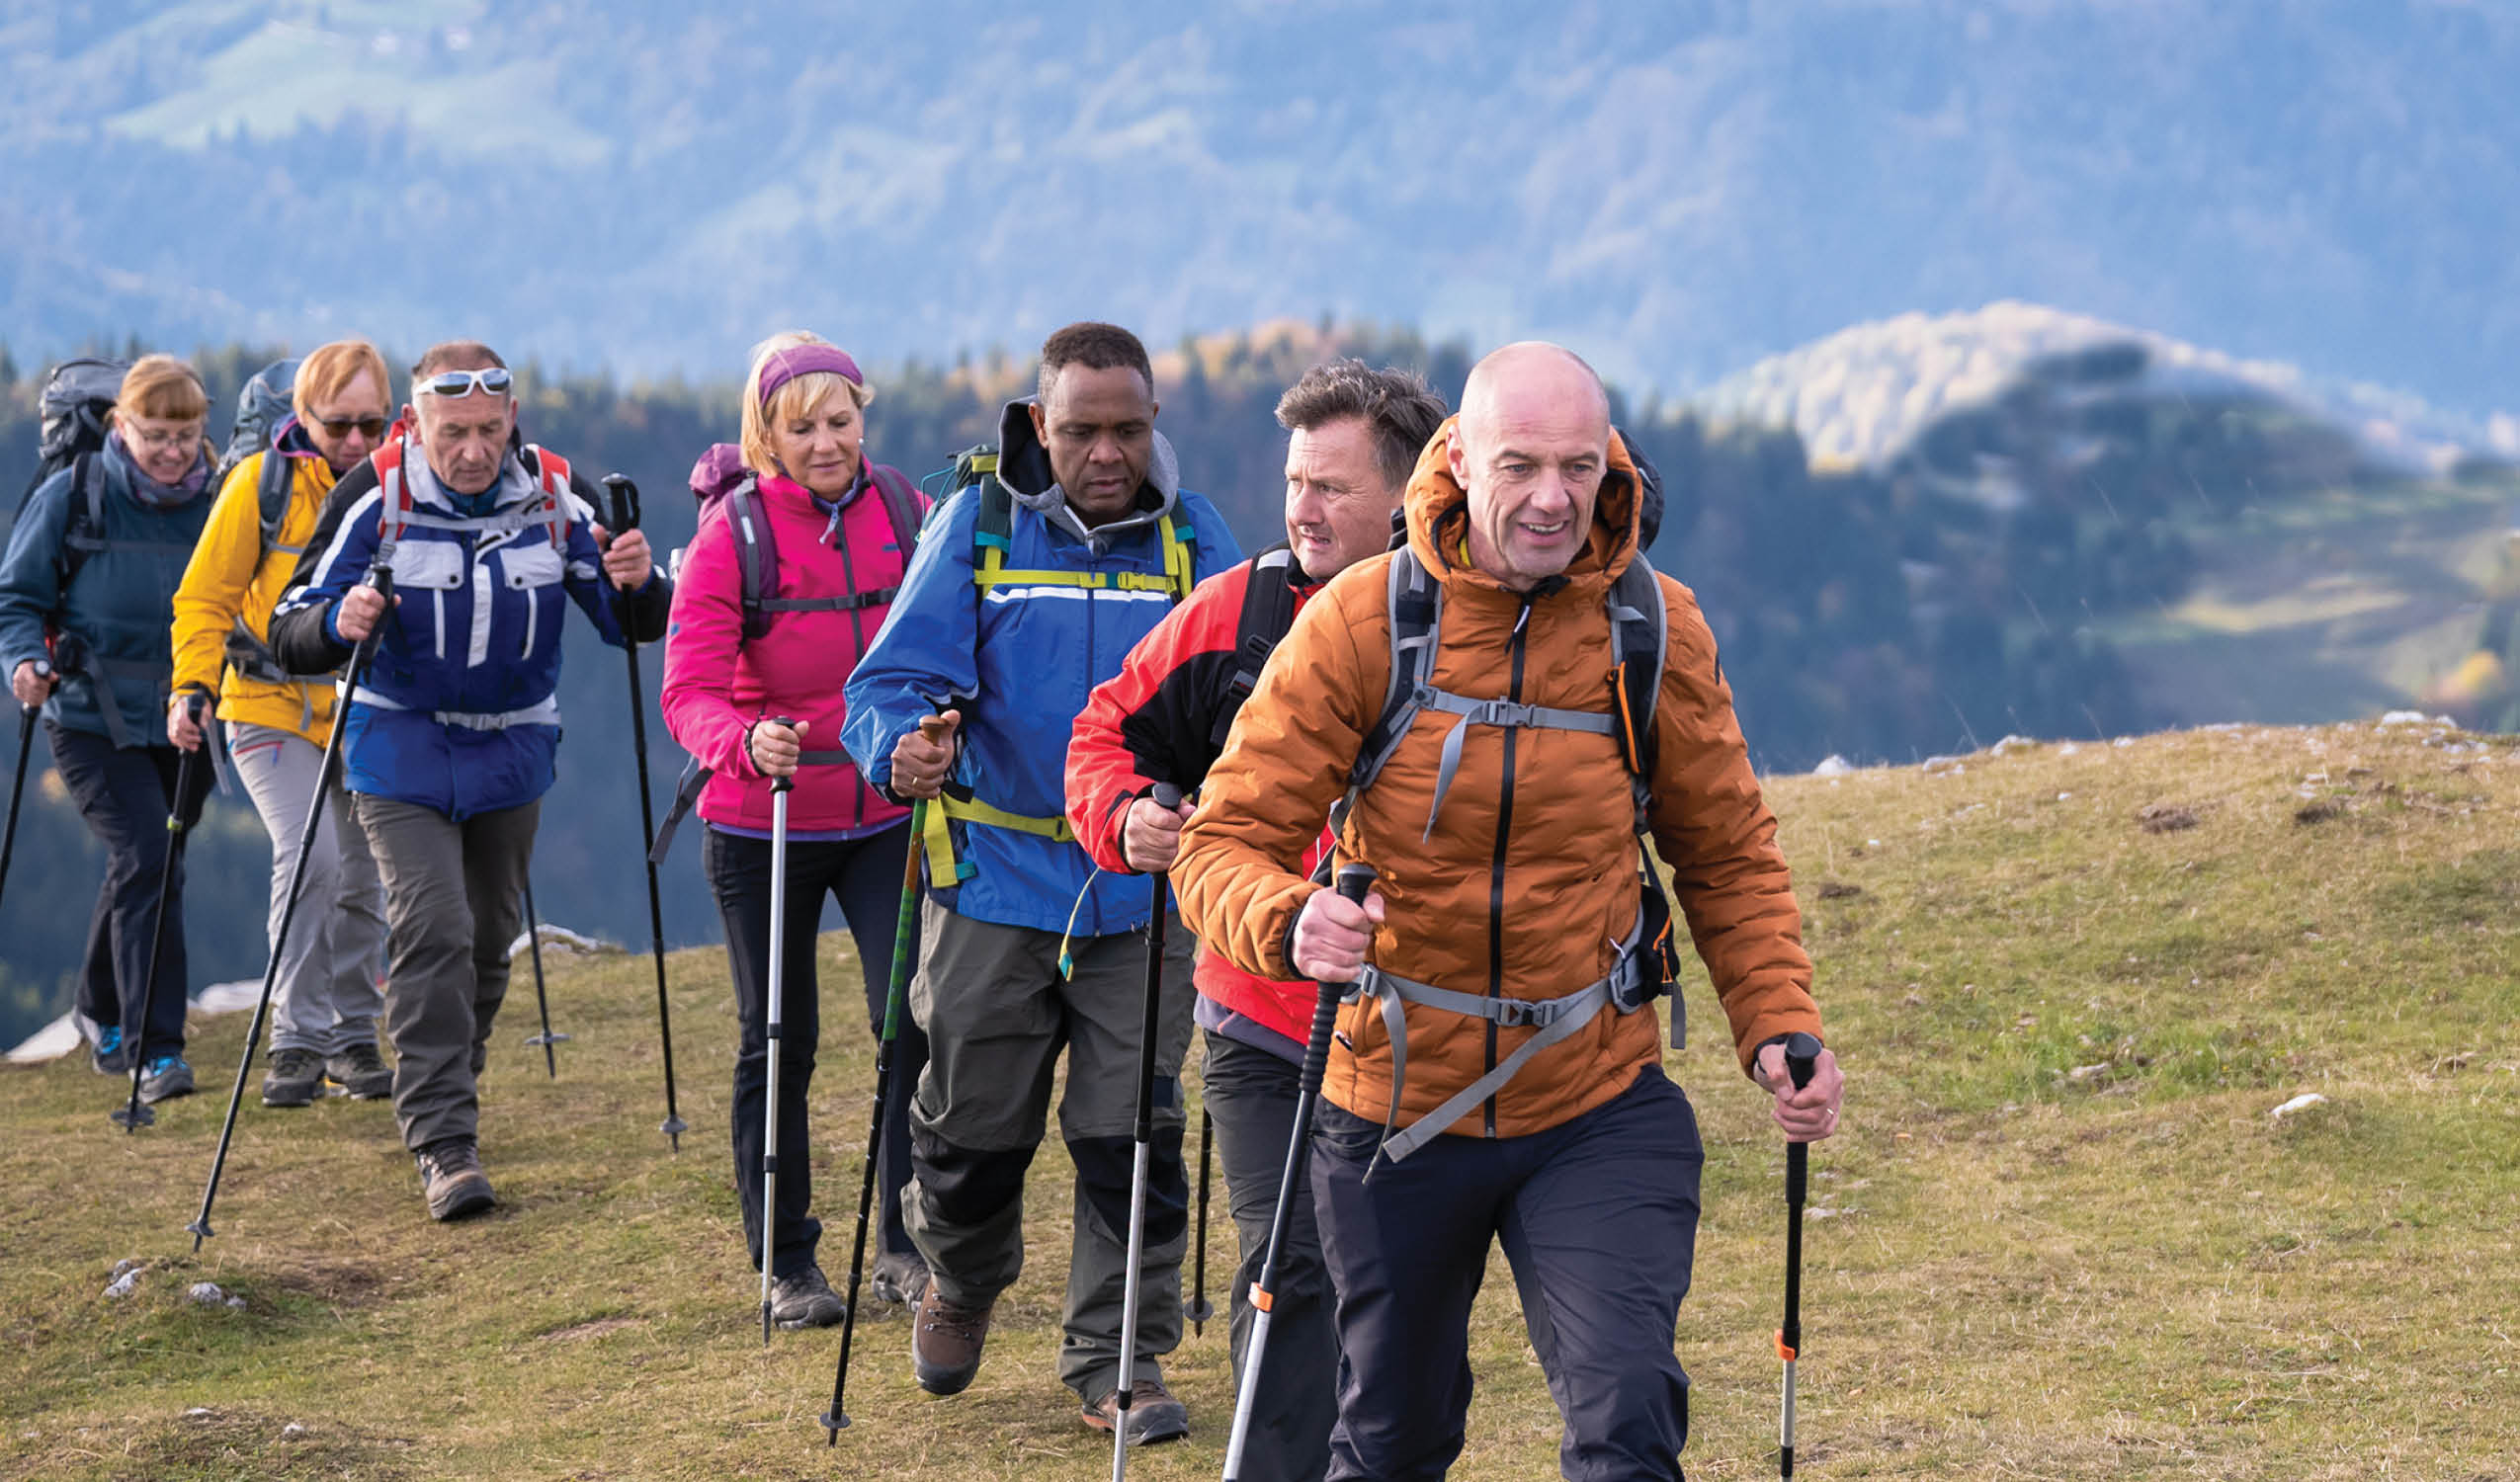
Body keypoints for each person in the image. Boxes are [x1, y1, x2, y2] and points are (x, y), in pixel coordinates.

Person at [1172, 342, 1847, 1482]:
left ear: (1610, 463)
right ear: (1461, 463)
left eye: (1579, 467)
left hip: (1593, 1096)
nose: (1553, 498)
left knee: (1627, 1415)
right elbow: (1220, 841)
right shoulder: (1361, 621)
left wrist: (1778, 1023)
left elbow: (1726, 852)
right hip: (1392, 1099)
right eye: (1522, 465)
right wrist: (1289, 922)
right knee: (1391, 1437)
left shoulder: (1653, 629)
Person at [841, 321, 1241, 1442]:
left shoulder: (1195, 542)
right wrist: (899, 751)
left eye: (1125, 428)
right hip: (993, 882)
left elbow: (1253, 696)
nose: (1105, 452)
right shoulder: (973, 523)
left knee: (1133, 1134)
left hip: (1141, 898)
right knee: (970, 1127)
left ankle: (1122, 1361)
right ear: (1036, 421)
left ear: (1154, 421)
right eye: (1080, 430)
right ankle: (958, 1281)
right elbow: (888, 683)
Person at [1065, 358, 1448, 1482]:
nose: (1302, 508)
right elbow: (1108, 731)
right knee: (1290, 1270)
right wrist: (1125, 815)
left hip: (1430, 1030)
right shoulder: (1239, 612)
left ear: (1408, 494)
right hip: (1265, 1023)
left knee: (1397, 1282)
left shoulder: (1469, 620)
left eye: (1331, 486)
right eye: (1294, 481)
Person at [267, 341, 670, 1222]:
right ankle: (444, 1139)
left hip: (512, 748)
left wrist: (641, 583)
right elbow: (285, 625)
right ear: (418, 424)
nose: (474, 449)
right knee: (434, 924)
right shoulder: (375, 495)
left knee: (488, 939)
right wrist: (340, 620)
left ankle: (446, 1070)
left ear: (511, 419)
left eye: (490, 429)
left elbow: (629, 621)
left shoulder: (557, 497)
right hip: (396, 743)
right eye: (455, 431)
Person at [659, 332, 934, 1330]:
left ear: (863, 419)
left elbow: (952, 630)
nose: (827, 442)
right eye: (802, 426)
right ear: (765, 436)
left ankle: (908, 1243)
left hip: (882, 815)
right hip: (759, 819)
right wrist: (742, 741)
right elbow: (687, 692)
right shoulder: (734, 536)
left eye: (841, 421)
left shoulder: (909, 512)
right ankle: (787, 1264)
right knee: (779, 1038)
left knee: (909, 1019)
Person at [168, 340, 394, 1108]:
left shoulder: (401, 486)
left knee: (367, 872)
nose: (357, 443)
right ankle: (298, 1041)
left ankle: (355, 1037)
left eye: (372, 424)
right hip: (265, 705)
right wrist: (191, 685)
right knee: (315, 858)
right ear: (302, 419)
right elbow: (204, 598)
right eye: (339, 427)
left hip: (367, 710)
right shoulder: (258, 488)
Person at [0, 355, 218, 1104]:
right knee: (148, 853)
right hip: (91, 719)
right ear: (120, 427)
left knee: (152, 863)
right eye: (156, 434)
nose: (172, 450)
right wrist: (25, 659)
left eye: (186, 435)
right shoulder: (75, 493)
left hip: (190, 717)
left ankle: (96, 1009)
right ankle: (153, 1049)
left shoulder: (222, 502)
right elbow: (17, 598)